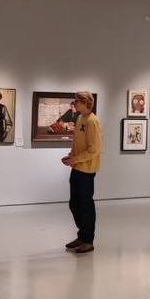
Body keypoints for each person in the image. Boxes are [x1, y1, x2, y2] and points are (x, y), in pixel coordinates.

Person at [61, 91, 101, 254]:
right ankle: (82, 235)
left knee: (85, 205)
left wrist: (75, 159)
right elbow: (77, 142)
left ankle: (88, 240)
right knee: (74, 204)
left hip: (86, 170)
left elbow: (94, 150)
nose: (74, 103)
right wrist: (71, 156)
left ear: (86, 102)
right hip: (77, 167)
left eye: (77, 101)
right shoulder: (80, 118)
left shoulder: (92, 121)